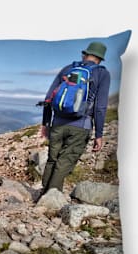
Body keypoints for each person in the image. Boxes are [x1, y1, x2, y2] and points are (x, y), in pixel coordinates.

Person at [41, 42, 110, 194]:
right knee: (65, 162)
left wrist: (46, 123)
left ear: (85, 54)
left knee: (52, 159)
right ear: (100, 58)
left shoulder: (68, 69)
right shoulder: (102, 73)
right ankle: (51, 197)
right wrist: (99, 135)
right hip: (81, 125)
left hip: (57, 123)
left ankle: (44, 193)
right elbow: (100, 107)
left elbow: (48, 98)